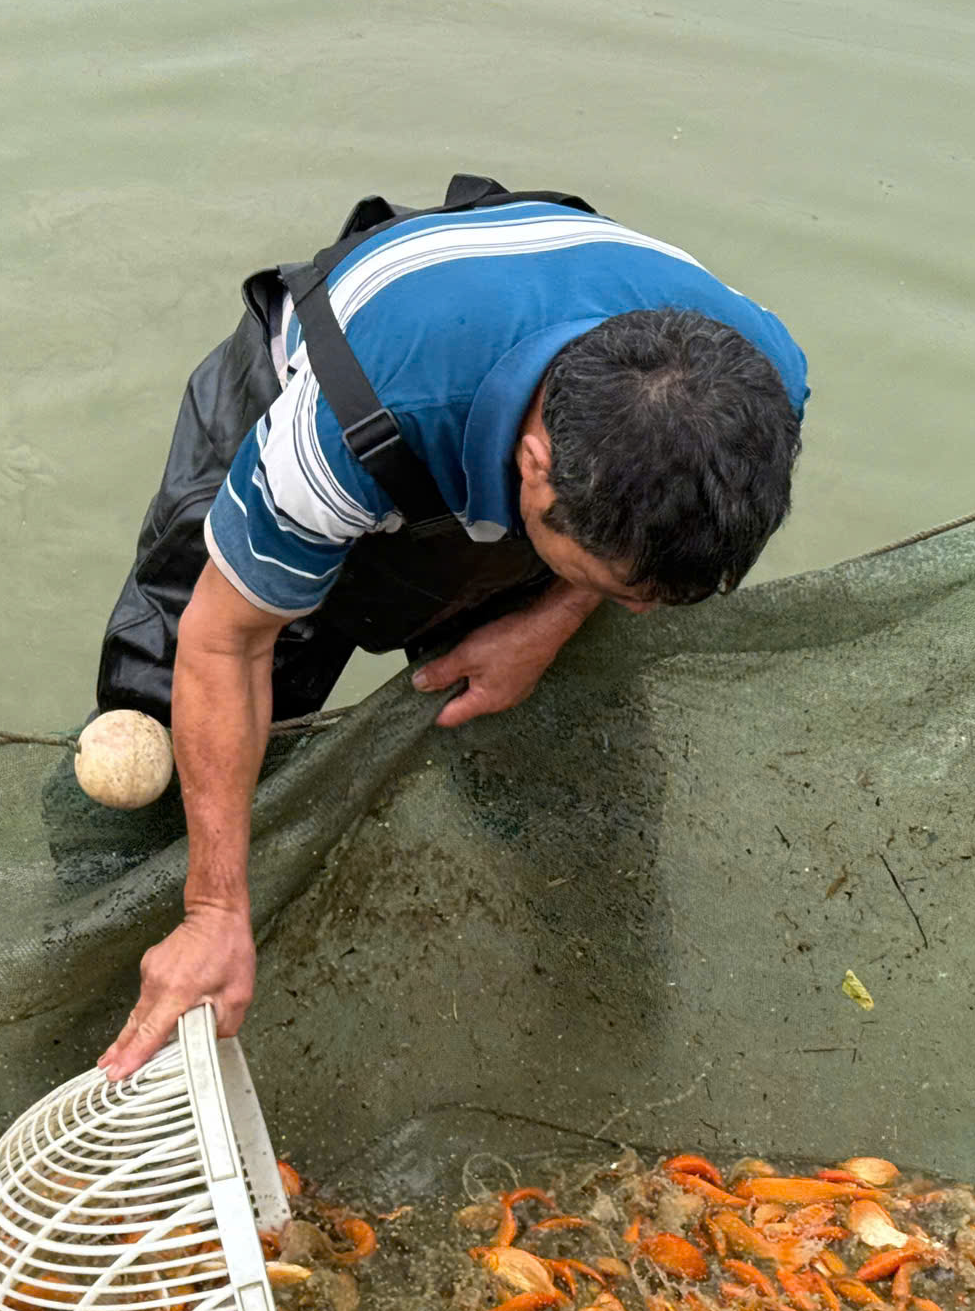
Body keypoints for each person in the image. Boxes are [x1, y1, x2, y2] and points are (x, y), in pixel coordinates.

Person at [93, 176, 807, 1080]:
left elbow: (633, 563)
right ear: (535, 470)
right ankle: (114, 1028)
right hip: (356, 392)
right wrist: (212, 909)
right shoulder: (340, 431)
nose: (640, 613)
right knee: (159, 772)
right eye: (618, 587)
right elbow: (224, 642)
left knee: (577, 777)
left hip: (537, 431)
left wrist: (558, 613)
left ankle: (602, 1055)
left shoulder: (762, 392)